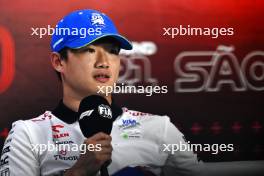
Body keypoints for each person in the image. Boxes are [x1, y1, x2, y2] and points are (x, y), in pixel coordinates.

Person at [3, 9, 263, 176]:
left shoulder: (159, 127)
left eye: (113, 51)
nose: (104, 61)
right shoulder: (28, 133)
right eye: (90, 49)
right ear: (59, 62)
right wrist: (79, 173)